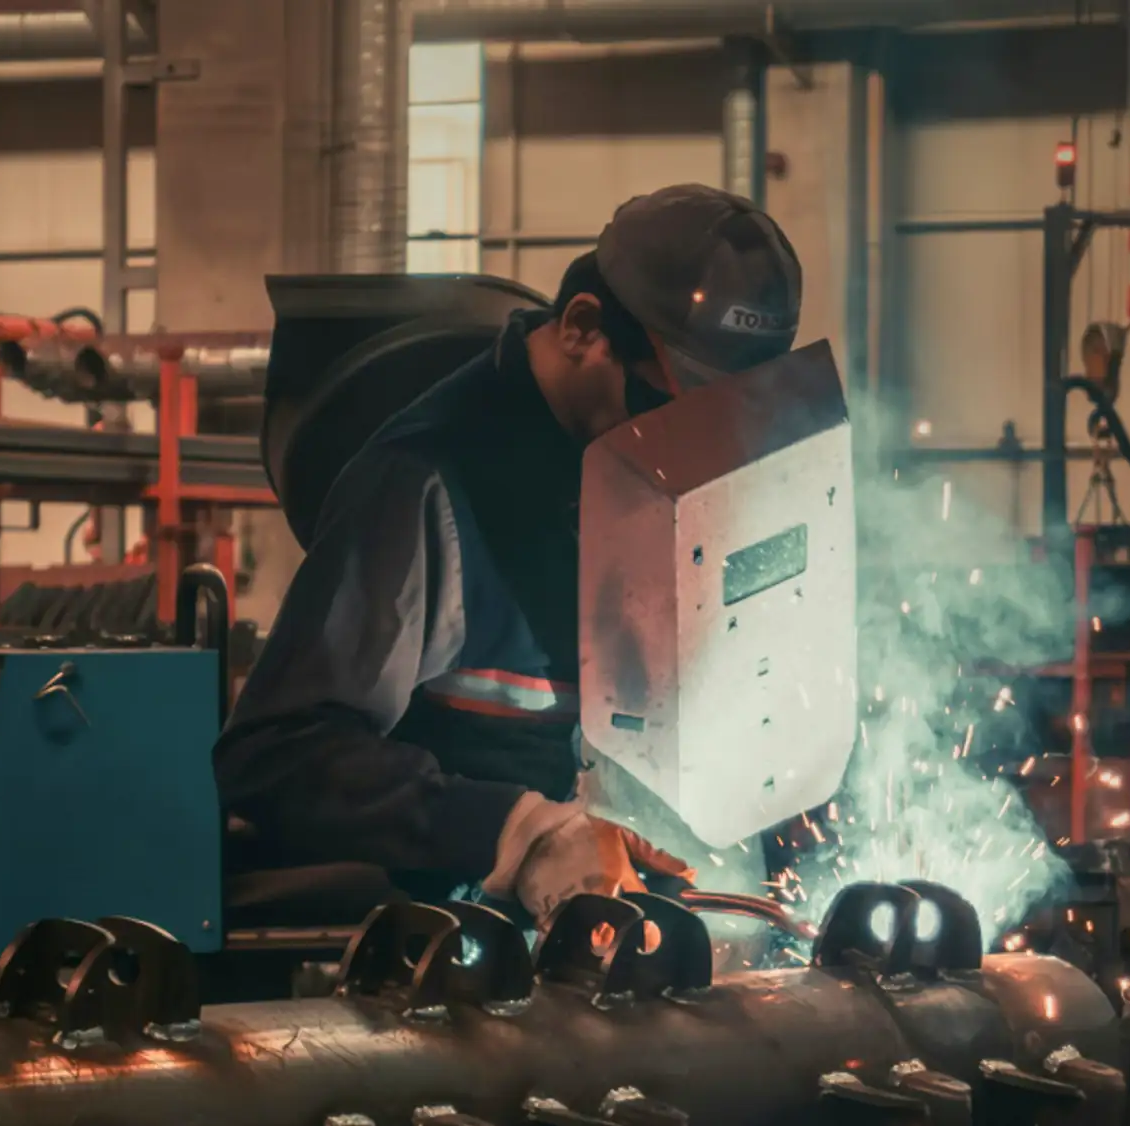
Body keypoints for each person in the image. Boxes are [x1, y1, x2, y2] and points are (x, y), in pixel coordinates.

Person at [215, 183, 806, 928]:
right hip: (438, 956)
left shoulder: (649, 470)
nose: (695, 455)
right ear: (584, 330)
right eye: (671, 410)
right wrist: (516, 832)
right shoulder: (426, 488)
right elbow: (274, 759)